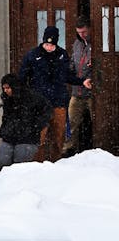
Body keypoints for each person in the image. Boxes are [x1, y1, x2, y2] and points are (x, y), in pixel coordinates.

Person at [19, 25, 91, 162]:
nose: (49, 47)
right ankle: (37, 165)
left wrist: (82, 82)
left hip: (59, 102)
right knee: (39, 137)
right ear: (43, 41)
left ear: (56, 43)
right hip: (39, 105)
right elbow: (22, 78)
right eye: (46, 44)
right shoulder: (33, 55)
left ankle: (56, 163)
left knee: (59, 136)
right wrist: (25, 97)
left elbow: (67, 76)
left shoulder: (62, 55)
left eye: (52, 45)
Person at [0, 74, 50, 172]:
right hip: (10, 135)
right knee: (1, 162)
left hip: (27, 137)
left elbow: (46, 111)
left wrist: (35, 126)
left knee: (20, 164)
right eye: (4, 88)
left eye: (8, 88)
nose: (5, 91)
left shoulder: (32, 97)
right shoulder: (7, 99)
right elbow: (6, 116)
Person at [65, 18, 100, 157]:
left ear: (90, 29)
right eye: (79, 32)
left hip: (93, 93)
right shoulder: (77, 44)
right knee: (71, 123)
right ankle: (67, 150)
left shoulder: (97, 43)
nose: (82, 35)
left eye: (84, 31)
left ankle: (102, 149)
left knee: (98, 121)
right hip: (77, 91)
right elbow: (73, 63)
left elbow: (104, 65)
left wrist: (95, 69)